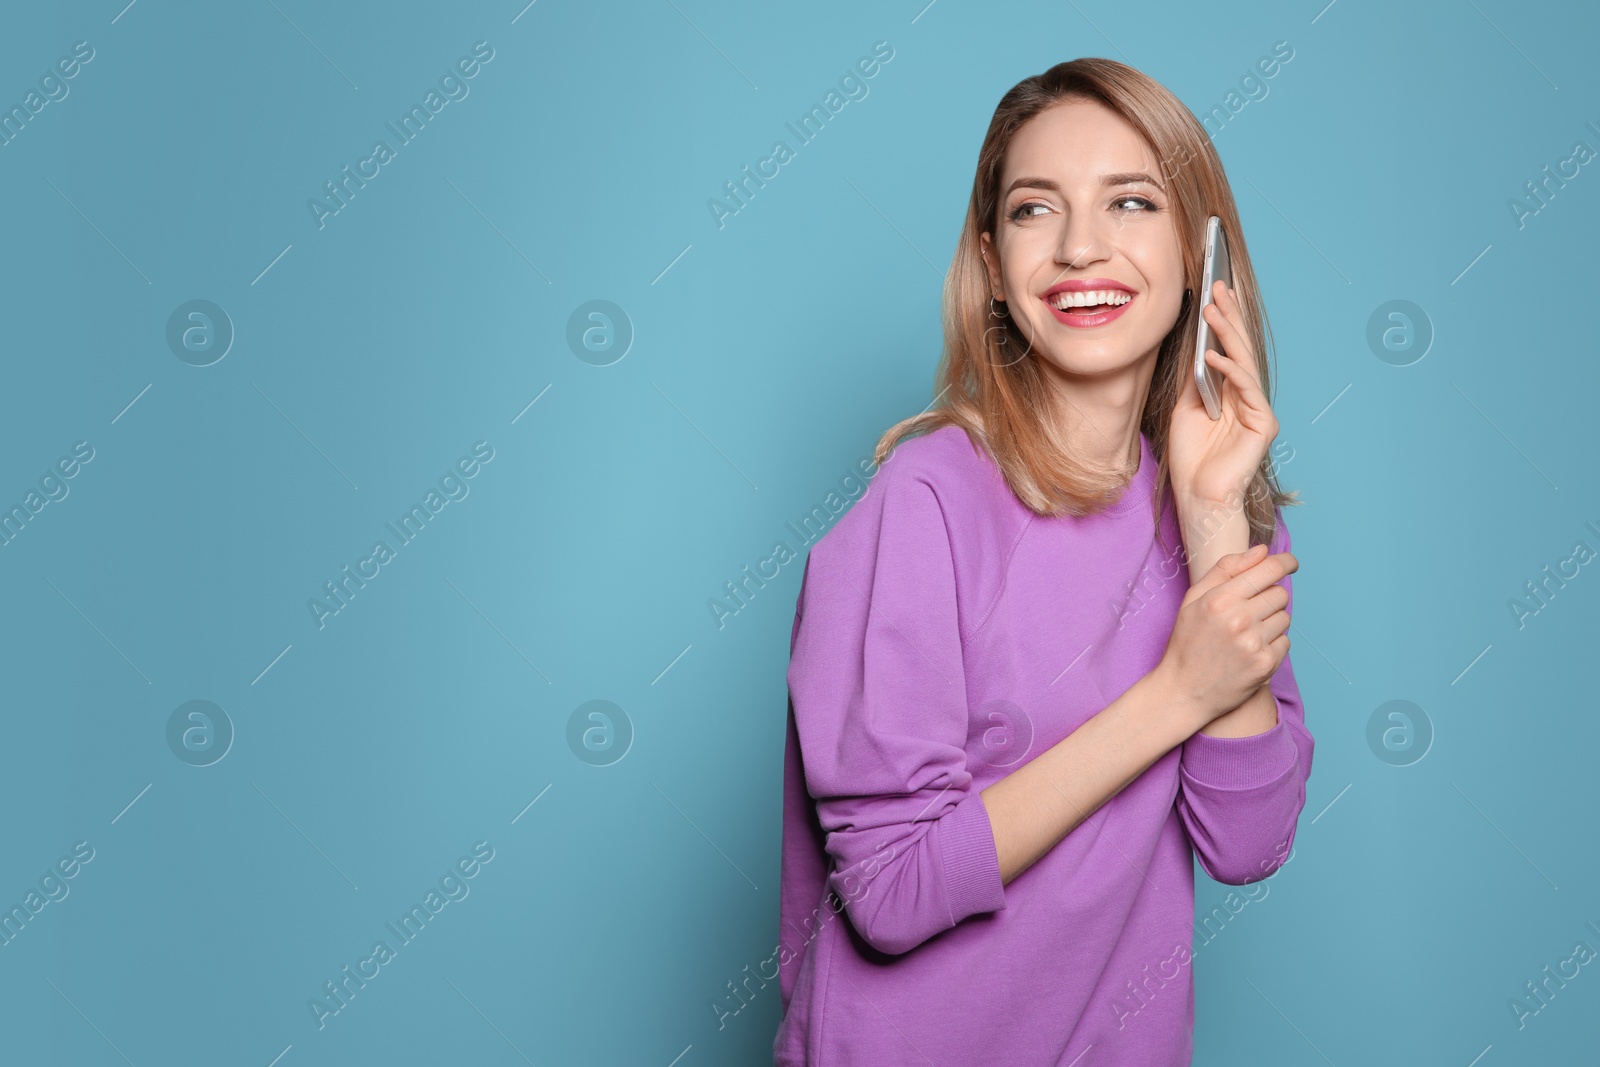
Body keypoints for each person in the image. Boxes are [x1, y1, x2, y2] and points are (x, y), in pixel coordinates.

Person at [772, 57, 1312, 1066]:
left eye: (1130, 202)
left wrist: (1207, 521)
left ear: (1201, 254)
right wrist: (1175, 693)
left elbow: (1248, 843)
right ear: (991, 254)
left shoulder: (1226, 514)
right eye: (1033, 209)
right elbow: (890, 889)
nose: (1078, 247)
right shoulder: (924, 501)